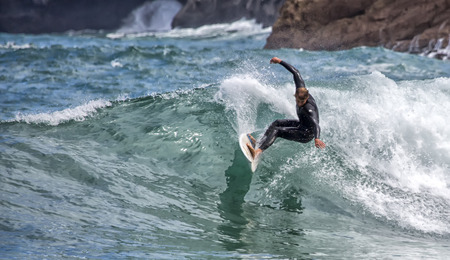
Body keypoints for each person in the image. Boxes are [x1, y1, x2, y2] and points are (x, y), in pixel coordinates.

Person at [247, 57, 326, 160]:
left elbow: (316, 124)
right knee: (277, 122)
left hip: (306, 134)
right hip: (301, 124)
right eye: (298, 100)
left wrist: (317, 138)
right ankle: (259, 143)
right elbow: (296, 73)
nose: (299, 103)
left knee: (277, 131)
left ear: (307, 97)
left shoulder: (309, 109)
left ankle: (258, 152)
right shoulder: (300, 89)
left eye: (302, 101)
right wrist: (280, 61)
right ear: (296, 95)